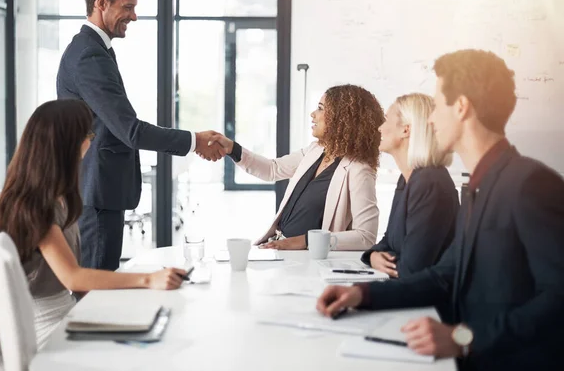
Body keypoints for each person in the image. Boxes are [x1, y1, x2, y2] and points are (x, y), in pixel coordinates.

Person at [316, 50, 564, 370]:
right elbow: (445, 276)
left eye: (437, 105)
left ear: (461, 107)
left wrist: (463, 338)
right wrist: (362, 294)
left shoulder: (530, 183)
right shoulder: (479, 186)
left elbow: (559, 299)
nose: (430, 119)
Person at [56, 0, 223, 271]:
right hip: (97, 192)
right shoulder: (89, 56)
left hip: (99, 189)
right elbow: (129, 130)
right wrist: (194, 140)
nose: (133, 17)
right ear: (102, 2)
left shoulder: (95, 51)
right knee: (97, 290)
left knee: (100, 282)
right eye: (128, 7)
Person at [0, 100, 188, 348]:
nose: (91, 141)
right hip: (49, 330)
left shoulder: (53, 195)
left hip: (67, 313)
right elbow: (73, 277)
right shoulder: (35, 204)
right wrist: (148, 280)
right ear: (66, 143)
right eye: (88, 133)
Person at [209, 84, 384, 250]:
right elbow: (272, 169)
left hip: (308, 258)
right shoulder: (316, 150)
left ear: (342, 118)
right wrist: (232, 148)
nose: (313, 114)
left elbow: (366, 237)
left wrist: (305, 242)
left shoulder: (358, 169)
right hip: (279, 246)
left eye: (321, 108)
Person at [361, 93, 459, 278]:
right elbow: (389, 241)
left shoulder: (430, 183)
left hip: (432, 303)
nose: (380, 128)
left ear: (406, 130)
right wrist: (373, 256)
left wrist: (386, 259)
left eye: (386, 120)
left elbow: (412, 267)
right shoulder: (408, 178)